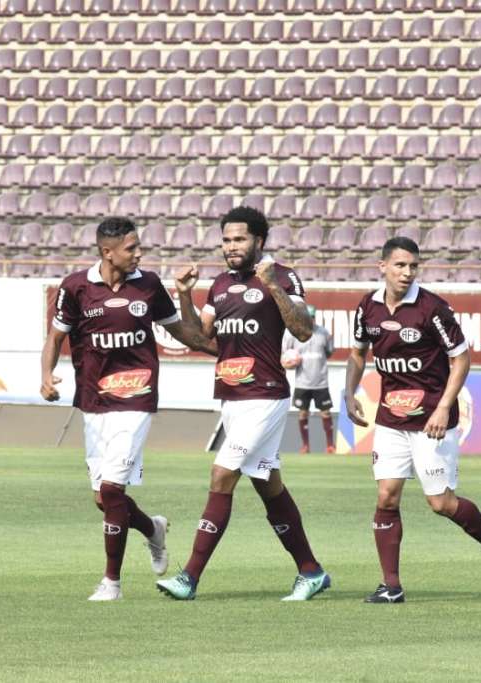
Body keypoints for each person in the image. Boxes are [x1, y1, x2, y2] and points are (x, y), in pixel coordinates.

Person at [157, 206, 332, 602]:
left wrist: (272, 286)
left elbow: (303, 330)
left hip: (266, 395)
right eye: (226, 240)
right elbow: (201, 339)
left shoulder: (282, 276)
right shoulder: (219, 284)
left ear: (259, 241)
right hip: (232, 399)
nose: (231, 246)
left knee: (222, 475)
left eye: (239, 239)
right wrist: (183, 295)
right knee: (269, 486)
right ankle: (311, 571)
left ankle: (189, 577)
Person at [40, 217, 216, 601]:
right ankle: (153, 529)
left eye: (138, 246)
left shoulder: (148, 285)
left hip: (136, 397)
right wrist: (46, 375)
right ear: (108, 252)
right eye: (131, 248)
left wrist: (221, 350)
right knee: (104, 500)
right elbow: (56, 337)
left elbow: (183, 333)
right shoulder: (76, 287)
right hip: (94, 401)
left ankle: (112, 583)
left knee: (112, 488)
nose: (139, 253)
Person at [344, 236, 481, 604]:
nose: (407, 272)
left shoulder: (433, 309)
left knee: (441, 503)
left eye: (413, 266)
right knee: (386, 496)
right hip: (391, 417)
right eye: (400, 265)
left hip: (431, 420)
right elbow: (358, 353)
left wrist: (443, 407)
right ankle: (391, 586)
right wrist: (349, 392)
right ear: (382, 266)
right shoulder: (368, 307)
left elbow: (461, 358)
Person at [281, 305, 336, 454]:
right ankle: (305, 446)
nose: (309, 320)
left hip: (321, 382)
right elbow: (285, 356)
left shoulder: (323, 333)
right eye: (306, 317)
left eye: (311, 317)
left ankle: (330, 446)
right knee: (303, 413)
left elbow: (329, 352)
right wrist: (290, 363)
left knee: (326, 413)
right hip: (302, 382)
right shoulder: (293, 334)